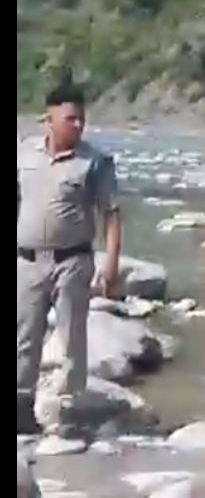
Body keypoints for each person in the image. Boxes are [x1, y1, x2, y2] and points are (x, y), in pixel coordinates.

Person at [17, 83, 122, 434]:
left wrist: (110, 263)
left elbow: (111, 214)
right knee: (24, 337)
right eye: (70, 119)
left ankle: (70, 408)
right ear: (48, 120)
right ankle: (21, 408)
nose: (78, 125)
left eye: (81, 119)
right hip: (27, 261)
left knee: (72, 337)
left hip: (72, 262)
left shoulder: (94, 162)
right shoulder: (24, 156)